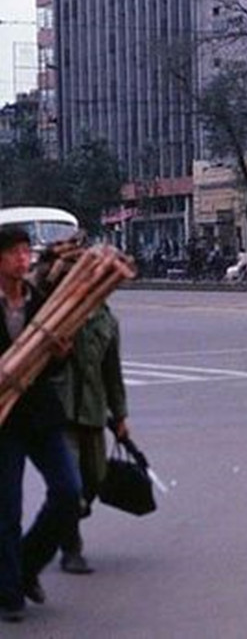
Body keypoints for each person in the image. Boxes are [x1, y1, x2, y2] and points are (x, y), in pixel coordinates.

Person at [0, 226, 82, 623]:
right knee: (6, 510)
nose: (23, 259)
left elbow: (53, 361)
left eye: (25, 252)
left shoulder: (40, 301)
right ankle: (10, 591)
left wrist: (61, 353)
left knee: (69, 491)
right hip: (4, 420)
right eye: (14, 253)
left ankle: (27, 567)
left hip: (40, 413)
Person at [54, 303, 129, 575]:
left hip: (93, 411)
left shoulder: (107, 320)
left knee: (95, 477)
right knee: (70, 484)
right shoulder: (56, 310)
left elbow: (112, 371)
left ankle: (69, 513)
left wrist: (119, 415)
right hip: (62, 411)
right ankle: (71, 548)